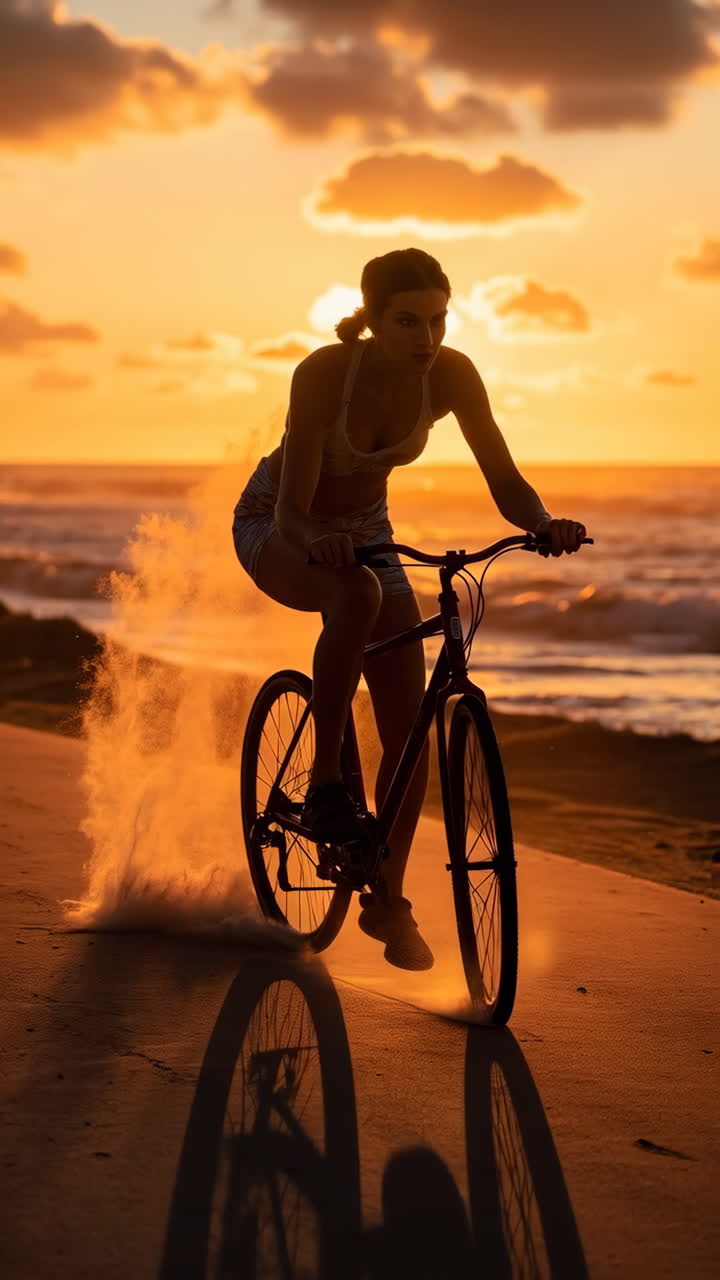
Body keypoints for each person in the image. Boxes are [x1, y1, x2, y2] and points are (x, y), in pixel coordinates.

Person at [232, 247, 587, 970]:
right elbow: (296, 506)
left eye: (437, 319)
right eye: (407, 321)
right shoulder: (325, 374)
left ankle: (386, 899)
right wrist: (317, 542)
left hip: (369, 532)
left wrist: (543, 523)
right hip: (279, 522)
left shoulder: (452, 373)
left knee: (411, 728)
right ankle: (327, 780)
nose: (426, 338)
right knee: (356, 595)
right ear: (372, 320)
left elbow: (506, 480)